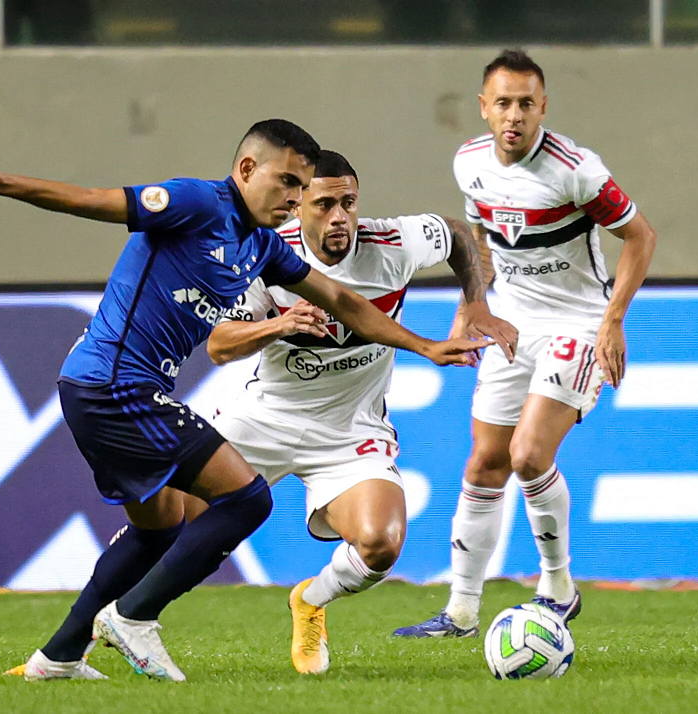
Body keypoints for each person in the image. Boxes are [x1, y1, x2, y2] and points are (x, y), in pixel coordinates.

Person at [0, 119, 490, 681]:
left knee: (160, 529)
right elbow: (93, 201)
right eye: (290, 183)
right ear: (247, 170)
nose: (296, 199)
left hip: (128, 391)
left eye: (306, 188)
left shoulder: (262, 246)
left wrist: (426, 344)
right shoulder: (197, 202)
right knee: (246, 500)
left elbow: (342, 299)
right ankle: (133, 618)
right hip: (114, 385)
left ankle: (55, 659)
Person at [203, 150, 518, 674]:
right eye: (324, 204)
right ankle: (102, 627)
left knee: (381, 543)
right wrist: (276, 326)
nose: (339, 217)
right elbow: (218, 345)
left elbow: (461, 234)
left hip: (351, 430)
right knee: (167, 514)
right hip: (266, 416)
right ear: (297, 204)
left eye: (348, 202)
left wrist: (475, 303)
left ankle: (310, 601)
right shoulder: (262, 256)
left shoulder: (392, 243)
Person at [394, 49, 657, 637]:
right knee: (485, 462)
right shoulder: (468, 163)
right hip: (512, 320)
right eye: (504, 103)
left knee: (529, 456)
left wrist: (612, 320)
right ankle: (460, 611)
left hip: (576, 322)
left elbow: (640, 237)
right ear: (484, 108)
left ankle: (558, 586)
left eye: (527, 104)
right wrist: (474, 305)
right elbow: (483, 238)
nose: (514, 115)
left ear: (543, 108)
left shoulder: (576, 170)